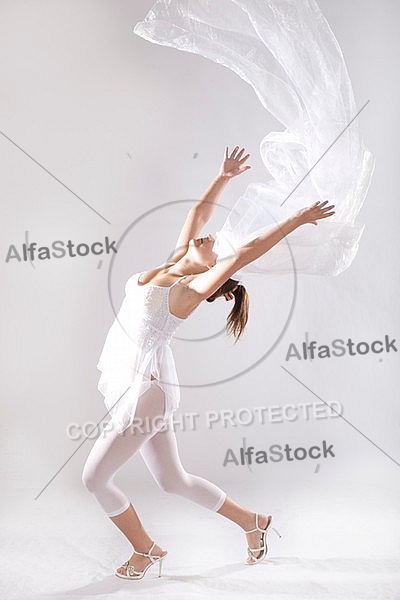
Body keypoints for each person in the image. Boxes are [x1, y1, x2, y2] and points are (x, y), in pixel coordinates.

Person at [82, 146, 335, 580]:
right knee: (172, 480)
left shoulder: (185, 292)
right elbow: (199, 212)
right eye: (207, 238)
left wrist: (295, 221)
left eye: (213, 249)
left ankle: (145, 550)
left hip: (146, 389)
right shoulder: (174, 263)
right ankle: (253, 522)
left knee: (94, 479)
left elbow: (245, 253)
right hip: (141, 383)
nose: (210, 239)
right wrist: (223, 176)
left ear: (209, 273)